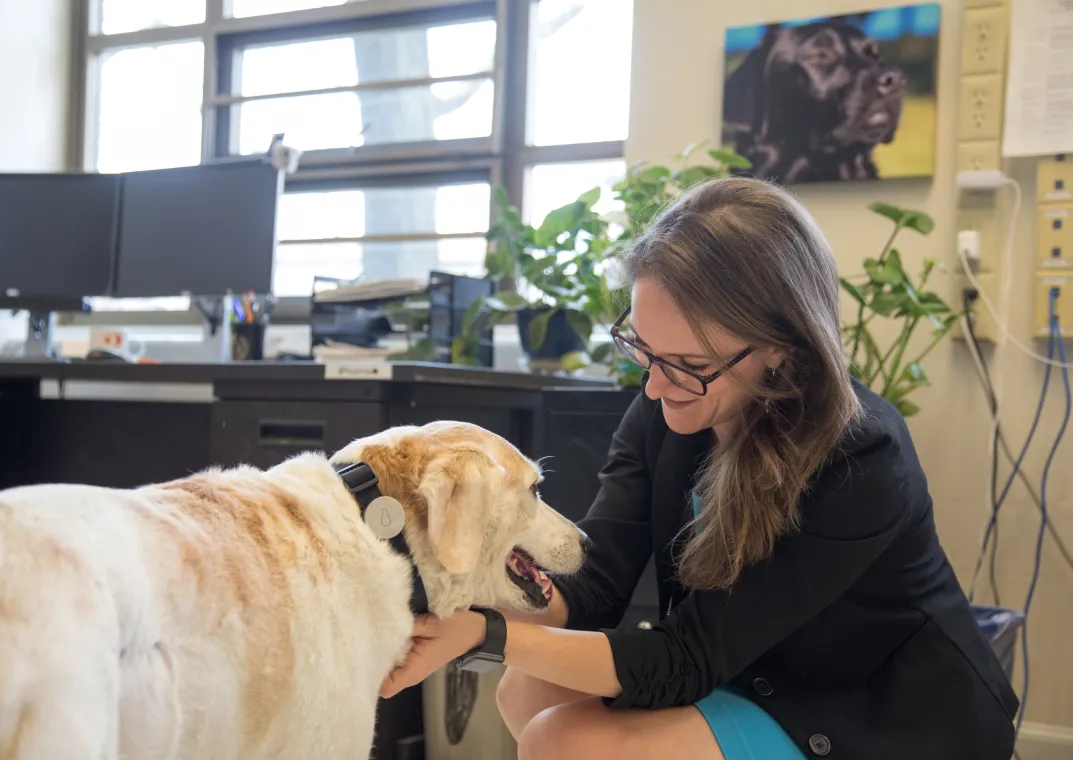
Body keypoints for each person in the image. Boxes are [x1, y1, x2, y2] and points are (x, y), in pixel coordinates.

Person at [380, 177, 1020, 759]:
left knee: (564, 742)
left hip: (880, 716)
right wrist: (445, 600)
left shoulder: (859, 454)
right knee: (528, 690)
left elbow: (685, 658)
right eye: (644, 349)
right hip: (746, 673)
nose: (656, 386)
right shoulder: (669, 405)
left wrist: (482, 634)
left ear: (779, 347)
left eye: (686, 363)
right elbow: (594, 589)